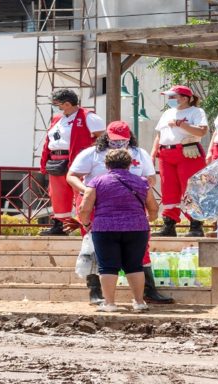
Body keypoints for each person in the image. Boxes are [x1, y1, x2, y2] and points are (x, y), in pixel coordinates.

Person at [68, 121, 175, 305]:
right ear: (106, 136)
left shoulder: (139, 154)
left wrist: (141, 186)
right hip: (98, 206)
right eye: (114, 140)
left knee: (142, 249)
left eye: (122, 140)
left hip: (131, 207)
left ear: (129, 138)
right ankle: (95, 292)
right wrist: (85, 190)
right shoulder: (92, 153)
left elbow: (151, 177)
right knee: (94, 247)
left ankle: (149, 290)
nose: (118, 144)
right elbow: (72, 175)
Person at [78, 148, 159, 312]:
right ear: (129, 164)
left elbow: (84, 208)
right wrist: (147, 220)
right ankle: (139, 302)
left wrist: (87, 224)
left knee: (107, 266)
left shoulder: (97, 182)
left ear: (106, 164)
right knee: (135, 265)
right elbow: (154, 208)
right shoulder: (142, 182)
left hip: (105, 229)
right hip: (137, 229)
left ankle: (109, 303)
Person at [39, 88, 105, 235]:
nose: (58, 108)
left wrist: (90, 154)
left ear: (68, 104)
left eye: (59, 104)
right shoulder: (57, 119)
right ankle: (60, 225)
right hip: (56, 160)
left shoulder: (88, 117)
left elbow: (103, 138)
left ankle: (86, 225)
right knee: (57, 194)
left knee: (80, 192)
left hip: (77, 160)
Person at [150, 85, 208, 238]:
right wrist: (152, 154)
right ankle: (169, 225)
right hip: (166, 153)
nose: (170, 100)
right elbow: (159, 135)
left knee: (190, 189)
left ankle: (195, 226)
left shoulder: (196, 111)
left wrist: (181, 124)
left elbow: (202, 131)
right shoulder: (167, 113)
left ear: (185, 98)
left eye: (172, 97)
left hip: (187, 152)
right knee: (168, 189)